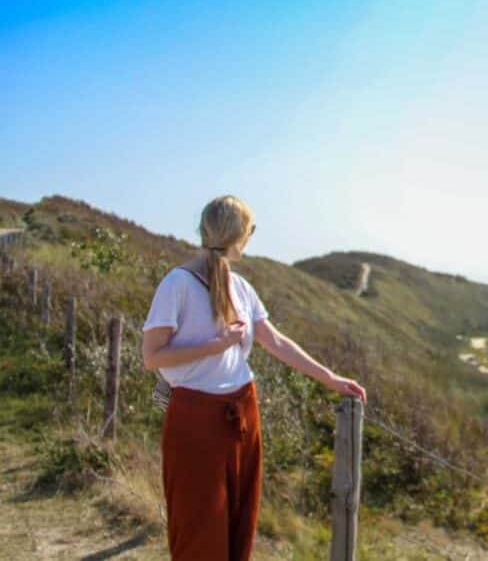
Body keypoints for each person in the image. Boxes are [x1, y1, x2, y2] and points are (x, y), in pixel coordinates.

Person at [141, 195, 367, 561]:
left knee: (240, 521)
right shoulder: (177, 284)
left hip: (244, 413)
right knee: (198, 524)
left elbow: (275, 341)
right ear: (241, 236)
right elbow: (152, 357)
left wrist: (331, 378)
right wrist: (216, 345)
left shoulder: (241, 288)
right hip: (196, 419)